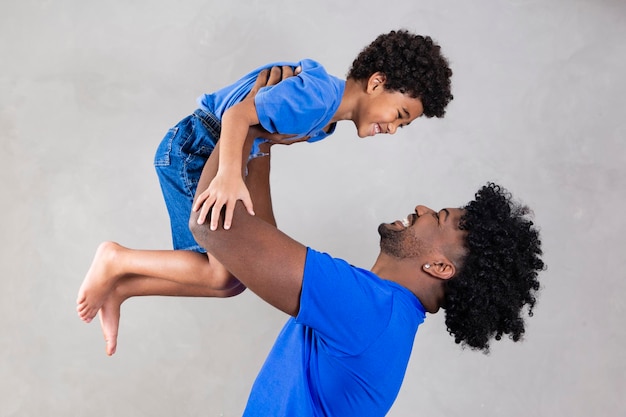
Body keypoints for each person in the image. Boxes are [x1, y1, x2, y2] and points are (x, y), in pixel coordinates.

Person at [76, 29, 454, 352]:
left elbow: (259, 136)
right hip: (194, 148)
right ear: (376, 83)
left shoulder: (324, 121)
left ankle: (123, 287)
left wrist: (247, 163)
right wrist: (227, 174)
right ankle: (115, 260)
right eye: (399, 116)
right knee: (219, 276)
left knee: (231, 282)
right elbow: (237, 115)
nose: (392, 129)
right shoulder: (319, 99)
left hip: (209, 147)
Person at [189, 145, 545, 416]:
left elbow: (212, 227)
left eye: (438, 217)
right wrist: (261, 141)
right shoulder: (387, 314)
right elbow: (259, 240)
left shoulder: (369, 308)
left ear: (439, 266)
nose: (421, 208)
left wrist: (242, 121)